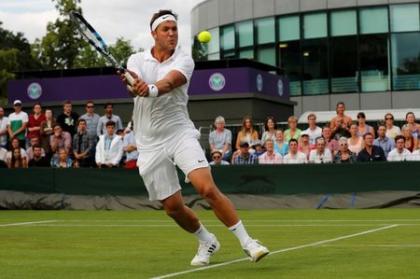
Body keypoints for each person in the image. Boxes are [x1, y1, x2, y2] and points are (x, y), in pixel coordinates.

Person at [123, 9, 268, 266]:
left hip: (179, 133)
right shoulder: (136, 60)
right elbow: (132, 85)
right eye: (166, 29)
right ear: (153, 33)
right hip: (149, 143)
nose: (171, 33)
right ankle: (206, 240)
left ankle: (249, 243)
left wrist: (151, 89)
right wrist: (134, 84)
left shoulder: (185, 60)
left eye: (174, 29)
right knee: (172, 208)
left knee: (207, 188)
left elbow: (170, 82)